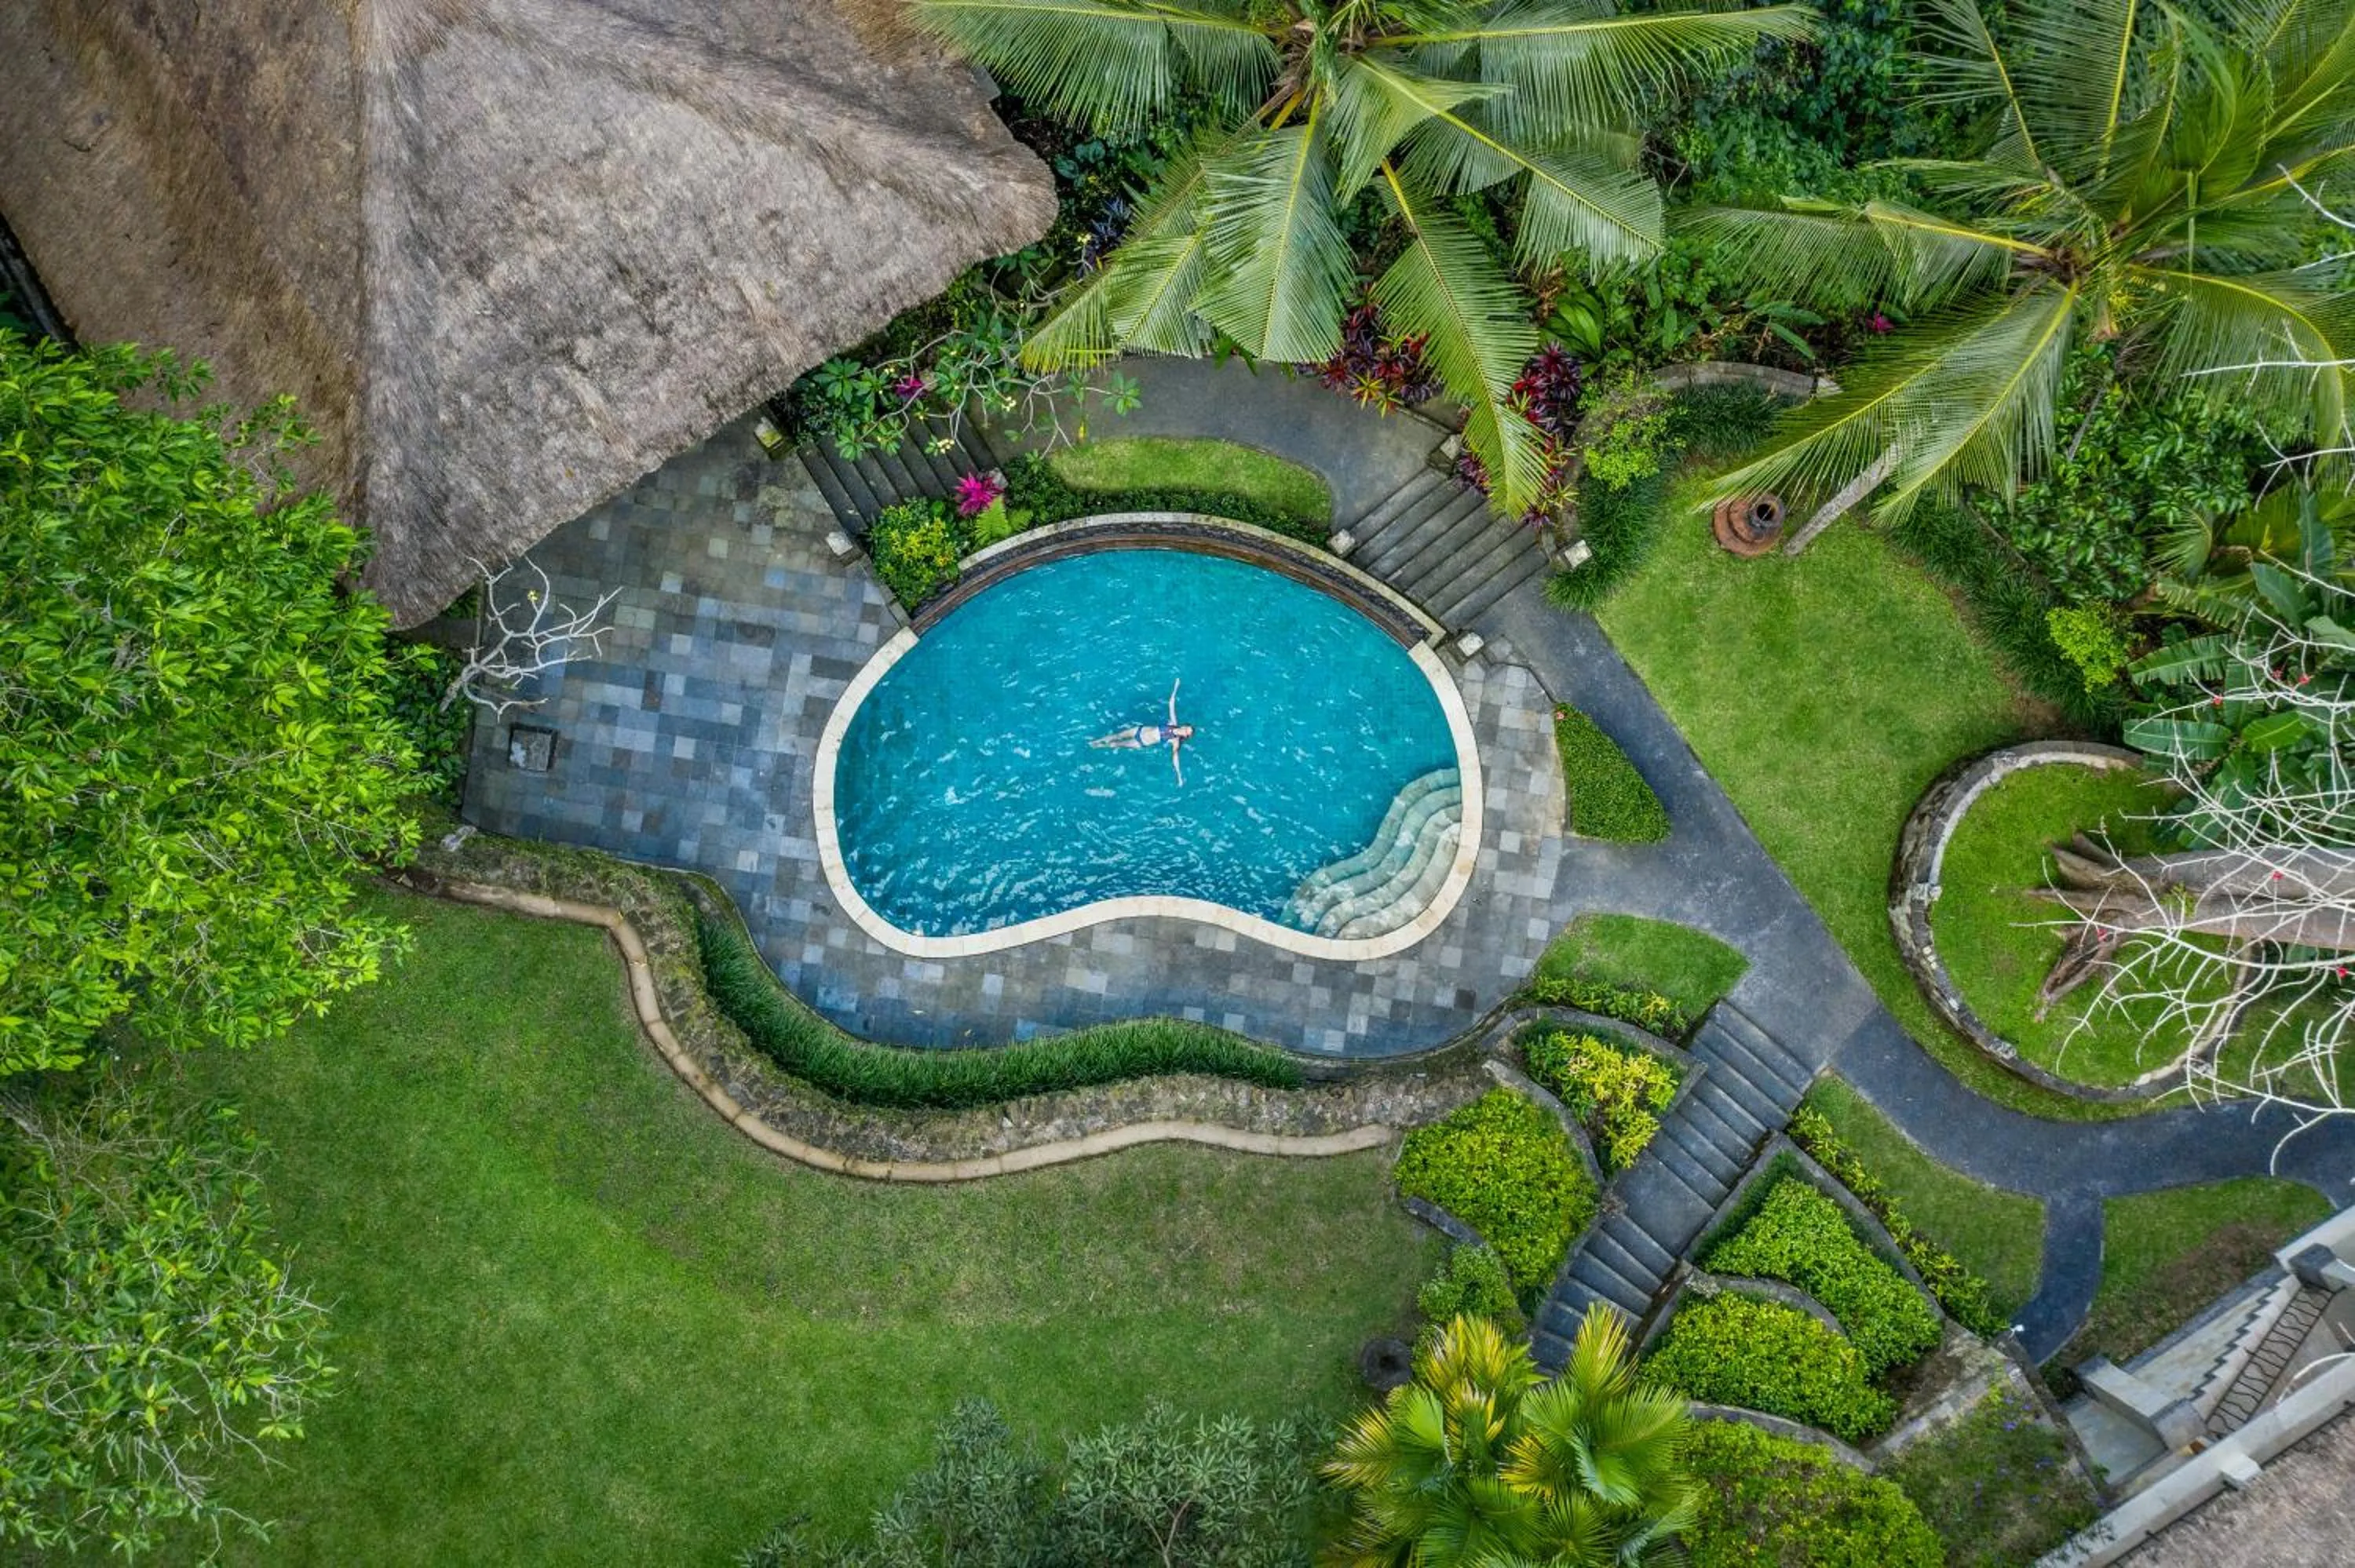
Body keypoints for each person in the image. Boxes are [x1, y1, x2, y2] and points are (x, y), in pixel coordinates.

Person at [1090, 679, 1193, 783]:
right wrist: (1176, 686)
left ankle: (1098, 746)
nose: (1184, 731)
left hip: (1140, 742)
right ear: (1184, 725)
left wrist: (1179, 776)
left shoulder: (1175, 741)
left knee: (1115, 744)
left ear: (1185, 736)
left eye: (1186, 733)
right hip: (1138, 730)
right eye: (1186, 728)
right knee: (1117, 735)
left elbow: (1175, 757)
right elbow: (1171, 703)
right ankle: (1096, 741)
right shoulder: (1173, 724)